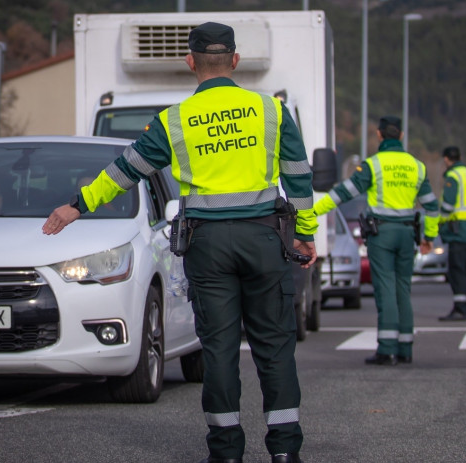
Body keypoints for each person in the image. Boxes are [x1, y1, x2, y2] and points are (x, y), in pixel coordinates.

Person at [42, 22, 316, 463]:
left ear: (190, 62)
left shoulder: (174, 121)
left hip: (207, 245)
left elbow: (127, 168)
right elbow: (300, 178)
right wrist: (304, 234)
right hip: (265, 239)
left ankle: (226, 452)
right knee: (275, 347)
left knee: (220, 349)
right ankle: (284, 452)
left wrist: (78, 204)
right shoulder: (272, 111)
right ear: (235, 61)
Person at [313, 116, 439, 365]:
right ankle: (405, 348)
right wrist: (429, 237)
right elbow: (432, 207)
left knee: (385, 289)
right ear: (401, 136)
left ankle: (387, 349)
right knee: (403, 289)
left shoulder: (374, 165)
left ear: (379, 135)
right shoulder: (417, 166)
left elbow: (342, 193)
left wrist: (312, 211)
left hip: (382, 234)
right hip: (407, 235)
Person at [437, 146, 466, 321]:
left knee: (457, 270)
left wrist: (440, 222)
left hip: (458, 229)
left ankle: (460, 308)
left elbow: (448, 205)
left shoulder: (453, 176)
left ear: (447, 159)